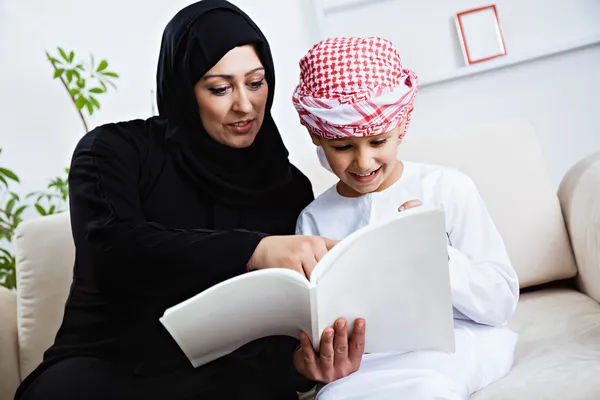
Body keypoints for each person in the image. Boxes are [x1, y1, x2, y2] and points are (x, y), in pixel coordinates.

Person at [13, 2, 366, 399]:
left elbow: (282, 331)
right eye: (219, 88)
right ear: (184, 88)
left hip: (225, 381)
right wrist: (253, 250)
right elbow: (111, 248)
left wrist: (302, 367)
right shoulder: (113, 151)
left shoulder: (288, 188)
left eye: (256, 82)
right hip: (106, 366)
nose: (245, 105)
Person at [293, 36, 520, 399]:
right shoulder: (313, 220)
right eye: (343, 146)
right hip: (364, 363)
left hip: (455, 344)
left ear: (402, 125)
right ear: (316, 137)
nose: (363, 162)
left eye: (378, 142)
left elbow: (499, 303)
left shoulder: (449, 188)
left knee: (427, 387)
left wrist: (439, 256)